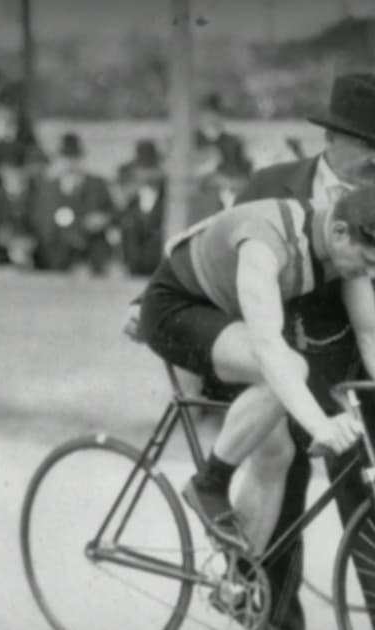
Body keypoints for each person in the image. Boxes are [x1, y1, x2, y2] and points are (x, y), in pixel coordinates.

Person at [135, 186, 375, 563]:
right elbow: (266, 348)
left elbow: (370, 333)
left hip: (225, 316)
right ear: (340, 232)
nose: (370, 272)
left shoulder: (344, 239)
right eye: (367, 260)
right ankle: (209, 483)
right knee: (288, 367)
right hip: (175, 310)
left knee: (275, 454)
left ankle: (239, 583)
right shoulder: (267, 241)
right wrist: (320, 426)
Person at [225, 72, 375, 630]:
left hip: (349, 367)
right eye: (368, 147)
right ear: (334, 139)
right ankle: (274, 618)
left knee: (364, 490)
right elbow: (215, 247)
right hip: (280, 365)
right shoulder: (273, 182)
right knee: (280, 494)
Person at [29, 132, 116, 274]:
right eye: (66, 158)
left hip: (91, 251)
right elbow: (39, 222)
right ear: (59, 159)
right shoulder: (47, 188)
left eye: (74, 157)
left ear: (81, 159)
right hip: (55, 254)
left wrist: (103, 219)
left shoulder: (97, 185)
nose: (70, 163)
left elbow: (113, 213)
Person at [118, 139, 168, 276]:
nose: (147, 174)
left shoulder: (167, 195)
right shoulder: (130, 198)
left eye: (150, 168)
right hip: (133, 265)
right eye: (142, 169)